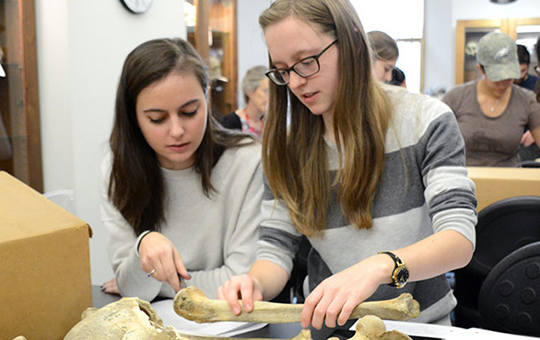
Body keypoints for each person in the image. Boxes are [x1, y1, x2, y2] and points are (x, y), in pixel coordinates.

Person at [218, 0, 477, 331]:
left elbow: (458, 240)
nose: (295, 82)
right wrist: (254, 283)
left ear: (353, 43)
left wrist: (379, 266)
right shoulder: (287, 147)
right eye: (283, 70)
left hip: (419, 328)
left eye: (307, 62)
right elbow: (276, 248)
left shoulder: (425, 120)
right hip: (330, 330)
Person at [100, 38, 263, 302]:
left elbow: (239, 281)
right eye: (157, 119)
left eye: (189, 112)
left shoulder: (247, 161)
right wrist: (144, 244)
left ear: (207, 97)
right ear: (133, 117)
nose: (176, 131)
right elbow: (130, 287)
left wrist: (151, 279)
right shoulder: (117, 169)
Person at [443, 32, 540, 167]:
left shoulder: (527, 101)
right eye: (496, 79)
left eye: (508, 78)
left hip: (510, 181)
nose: (503, 84)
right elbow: (436, 146)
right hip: (465, 179)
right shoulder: (455, 98)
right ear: (481, 69)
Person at [221, 66, 269, 138]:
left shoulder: (271, 123)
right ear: (250, 92)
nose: (271, 97)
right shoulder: (230, 123)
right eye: (266, 91)